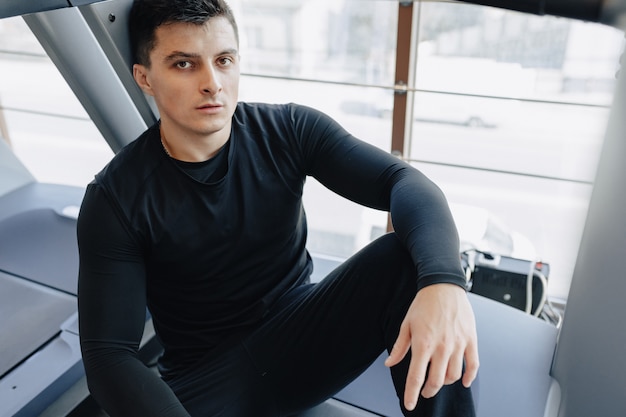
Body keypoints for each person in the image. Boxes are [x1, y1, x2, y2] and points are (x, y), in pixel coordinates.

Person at [76, 0, 479, 416]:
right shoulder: (115, 199)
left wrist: (445, 283)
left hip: (302, 339)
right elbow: (110, 358)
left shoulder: (289, 130)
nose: (212, 82)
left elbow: (403, 181)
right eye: (184, 64)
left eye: (224, 60)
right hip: (208, 379)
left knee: (406, 262)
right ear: (144, 77)